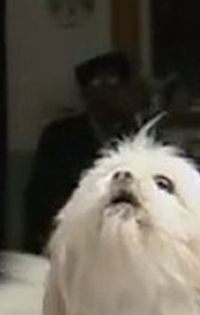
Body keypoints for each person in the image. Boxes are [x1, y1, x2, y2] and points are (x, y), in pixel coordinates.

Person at [23, 52, 151, 253]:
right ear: (100, 89)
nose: (140, 91)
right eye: (130, 85)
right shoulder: (61, 137)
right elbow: (43, 208)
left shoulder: (141, 135)